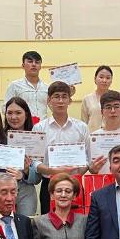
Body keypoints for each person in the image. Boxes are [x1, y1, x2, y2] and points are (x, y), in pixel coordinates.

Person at [32, 82, 93, 216]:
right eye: (56, 96)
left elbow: (88, 158)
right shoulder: (39, 128)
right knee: (49, 225)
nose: (60, 101)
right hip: (49, 184)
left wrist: (77, 173)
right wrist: (52, 171)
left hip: (75, 182)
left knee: (78, 222)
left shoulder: (81, 127)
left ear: (70, 100)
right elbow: (34, 162)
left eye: (64, 96)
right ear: (49, 100)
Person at [3, 97, 42, 216]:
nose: (13, 117)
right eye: (9, 113)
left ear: (26, 114)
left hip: (26, 192)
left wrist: (26, 172)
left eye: (18, 113)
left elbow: (37, 180)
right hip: (2, 191)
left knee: (25, 224)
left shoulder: (35, 139)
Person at [81, 66, 120, 132]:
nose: (104, 80)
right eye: (101, 77)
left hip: (116, 135)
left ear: (111, 80)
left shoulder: (118, 96)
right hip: (93, 135)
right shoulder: (87, 99)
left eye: (108, 78)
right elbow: (84, 123)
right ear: (95, 79)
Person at [5, 50, 50, 120]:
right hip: (23, 125)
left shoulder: (47, 87)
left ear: (40, 66)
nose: (34, 64)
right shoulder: (14, 86)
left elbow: (54, 107)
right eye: (30, 61)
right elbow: (6, 108)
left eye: (37, 62)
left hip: (43, 125)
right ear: (23, 66)